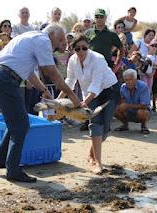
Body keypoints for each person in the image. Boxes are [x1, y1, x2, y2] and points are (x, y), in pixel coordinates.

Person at [0, 24, 81, 182]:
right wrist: (72, 95)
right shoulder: (43, 40)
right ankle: (13, 170)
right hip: (5, 79)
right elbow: (52, 73)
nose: (59, 45)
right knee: (21, 125)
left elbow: (29, 72)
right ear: (52, 35)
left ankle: (1, 160)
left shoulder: (31, 37)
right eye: (59, 40)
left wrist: (43, 90)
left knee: (16, 121)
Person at [57, 35, 118, 174]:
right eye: (77, 48)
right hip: (90, 94)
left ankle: (92, 154)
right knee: (95, 124)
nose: (81, 51)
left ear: (88, 47)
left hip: (109, 90)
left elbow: (96, 83)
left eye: (84, 48)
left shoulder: (98, 59)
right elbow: (70, 81)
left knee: (105, 129)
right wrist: (57, 100)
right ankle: (98, 162)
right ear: (73, 49)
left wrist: (84, 103)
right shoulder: (72, 60)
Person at [115, 69, 150, 134]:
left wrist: (127, 105)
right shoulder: (123, 87)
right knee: (115, 109)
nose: (128, 82)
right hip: (129, 111)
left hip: (141, 110)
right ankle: (125, 125)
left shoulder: (143, 86)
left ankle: (143, 126)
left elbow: (145, 105)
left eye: (130, 79)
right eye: (126, 80)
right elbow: (122, 100)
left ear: (136, 79)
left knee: (142, 112)